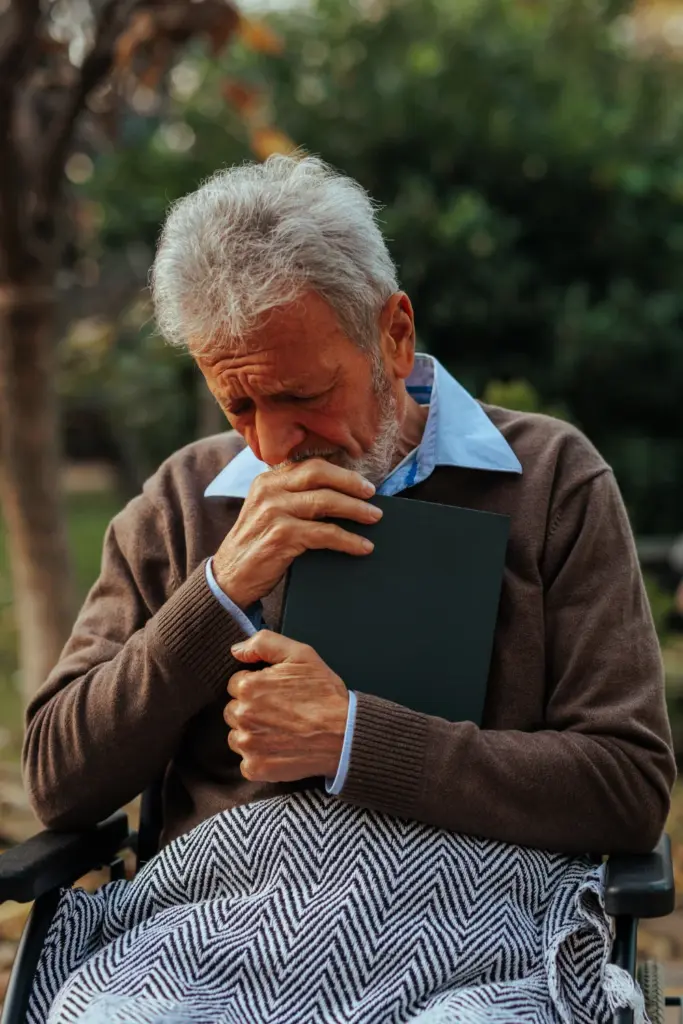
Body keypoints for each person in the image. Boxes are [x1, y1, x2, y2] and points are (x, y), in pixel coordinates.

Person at [23, 155, 674, 856]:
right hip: (216, 911)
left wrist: (356, 740)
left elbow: (626, 788)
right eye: (238, 405)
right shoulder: (181, 503)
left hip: (475, 917)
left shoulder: (550, 480)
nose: (273, 444)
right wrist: (218, 592)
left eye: (302, 396)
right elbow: (59, 782)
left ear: (393, 335)